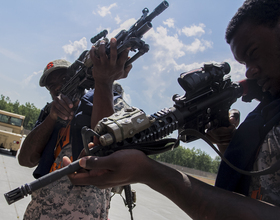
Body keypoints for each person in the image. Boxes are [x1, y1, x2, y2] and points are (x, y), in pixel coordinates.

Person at [63, 0, 280, 219]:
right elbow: (243, 189)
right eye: (244, 64)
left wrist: (151, 173)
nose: (250, 73)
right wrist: (226, 142)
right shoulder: (267, 111)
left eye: (253, 52)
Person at [18, 38, 132, 219]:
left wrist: (104, 81)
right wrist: (52, 118)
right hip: (39, 211)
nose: (57, 89)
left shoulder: (102, 98)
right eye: (51, 86)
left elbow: (110, 149)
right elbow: (25, 159)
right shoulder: (49, 113)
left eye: (63, 79)